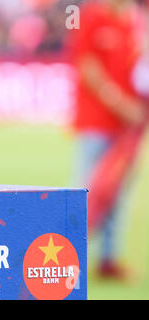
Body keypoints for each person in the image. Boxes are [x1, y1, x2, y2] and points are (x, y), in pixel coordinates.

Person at [68, 0, 147, 280]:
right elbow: (87, 66)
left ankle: (109, 259)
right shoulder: (88, 17)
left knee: (118, 192)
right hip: (96, 121)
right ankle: (69, 257)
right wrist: (120, 102)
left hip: (129, 126)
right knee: (86, 191)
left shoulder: (135, 20)